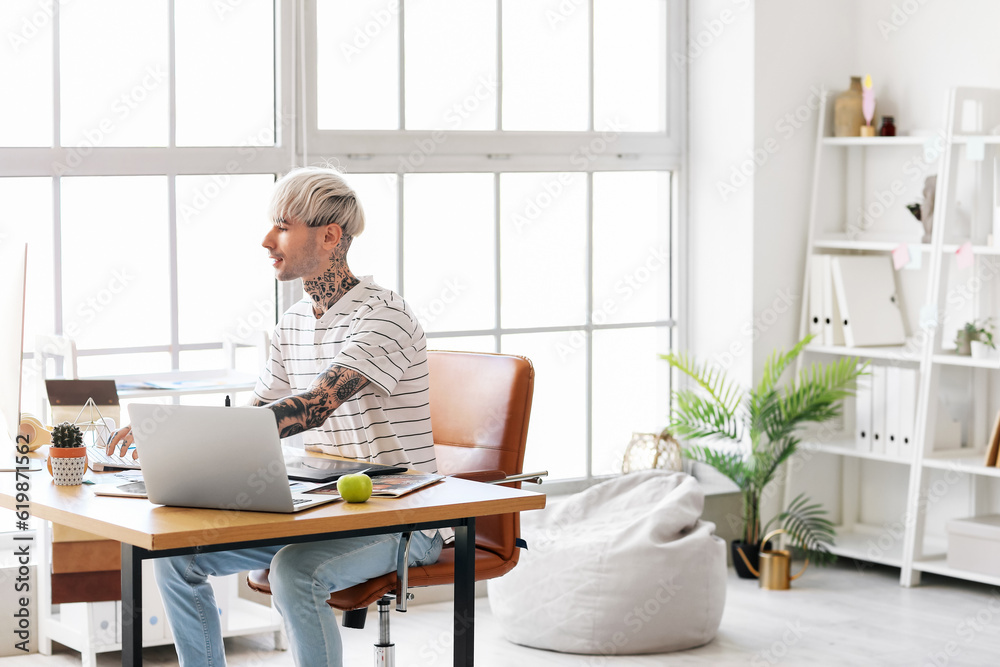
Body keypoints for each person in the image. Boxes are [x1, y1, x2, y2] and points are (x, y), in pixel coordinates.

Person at [107, 166, 443, 666]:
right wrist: (174, 441)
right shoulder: (294, 323)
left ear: (330, 236)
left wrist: (187, 435)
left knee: (293, 570)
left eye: (283, 225)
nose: (267, 240)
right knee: (176, 559)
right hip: (324, 508)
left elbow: (313, 407)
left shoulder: (384, 316)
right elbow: (256, 417)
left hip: (402, 521)